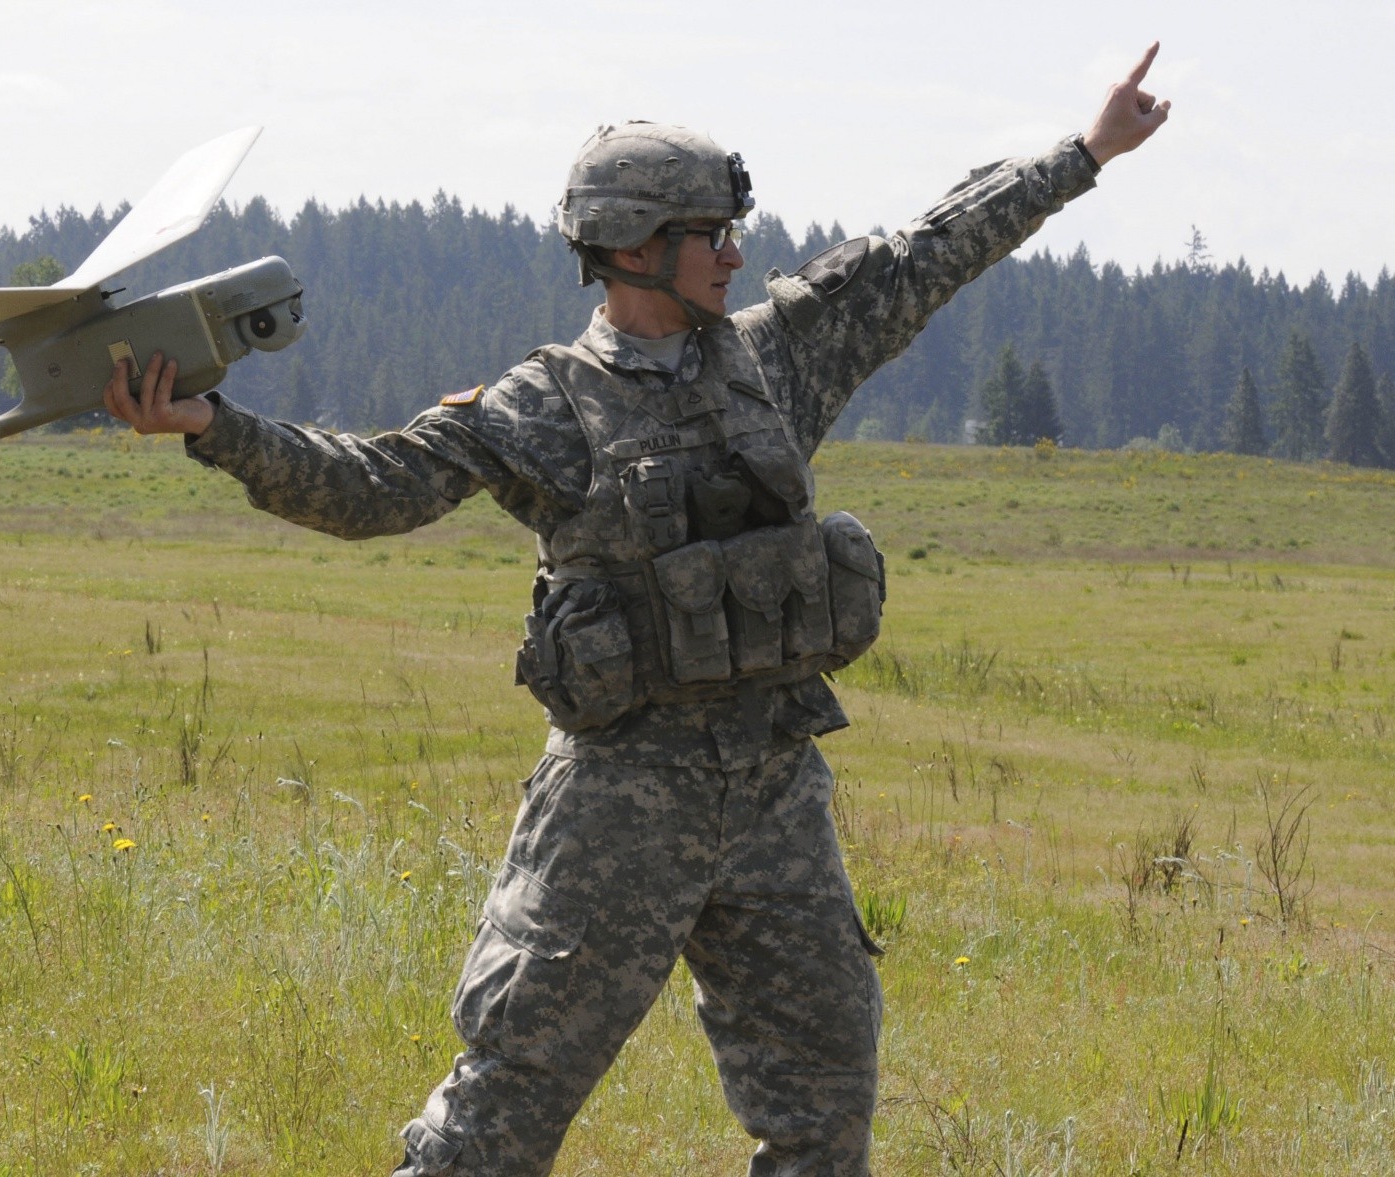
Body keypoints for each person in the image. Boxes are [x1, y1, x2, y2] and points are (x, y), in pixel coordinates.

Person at [104, 44, 1169, 1177]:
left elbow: (934, 251)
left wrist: (1086, 151)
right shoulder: (547, 404)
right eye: (711, 234)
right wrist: (215, 429)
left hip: (774, 793)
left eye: (730, 231)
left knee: (825, 1110)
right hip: (619, 808)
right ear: (631, 247)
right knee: (502, 1110)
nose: (735, 254)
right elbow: (374, 486)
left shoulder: (781, 359)